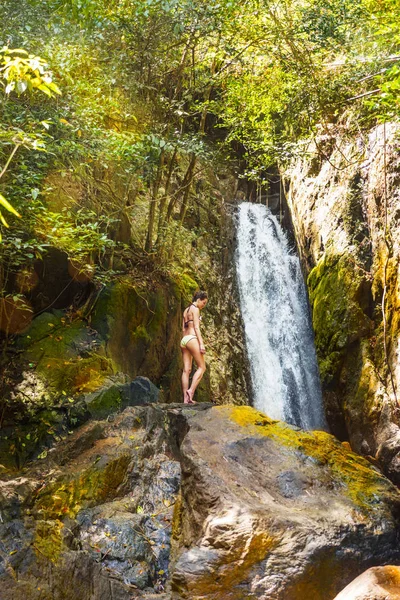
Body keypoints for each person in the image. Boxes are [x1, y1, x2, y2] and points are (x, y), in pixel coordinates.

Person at [180, 291, 208, 404]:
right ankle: (190, 392)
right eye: (204, 302)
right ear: (199, 299)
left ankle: (185, 399)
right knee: (202, 367)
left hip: (184, 340)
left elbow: (183, 329)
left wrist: (184, 341)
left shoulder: (186, 310)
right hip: (192, 338)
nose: (203, 305)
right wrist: (201, 343)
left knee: (186, 370)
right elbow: (196, 328)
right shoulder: (195, 309)